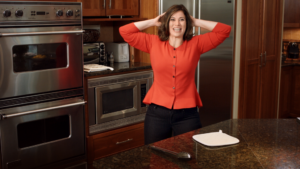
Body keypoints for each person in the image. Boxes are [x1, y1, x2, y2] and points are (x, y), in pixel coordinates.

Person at [119, 5, 231, 145]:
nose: (177, 24)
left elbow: (225, 30)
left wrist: (195, 21)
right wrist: (153, 21)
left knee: (187, 159)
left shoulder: (196, 44)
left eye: (182, 20)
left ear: (187, 23)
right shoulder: (153, 43)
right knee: (156, 158)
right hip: (157, 114)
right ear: (166, 22)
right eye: (172, 19)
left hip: (187, 116)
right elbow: (124, 31)